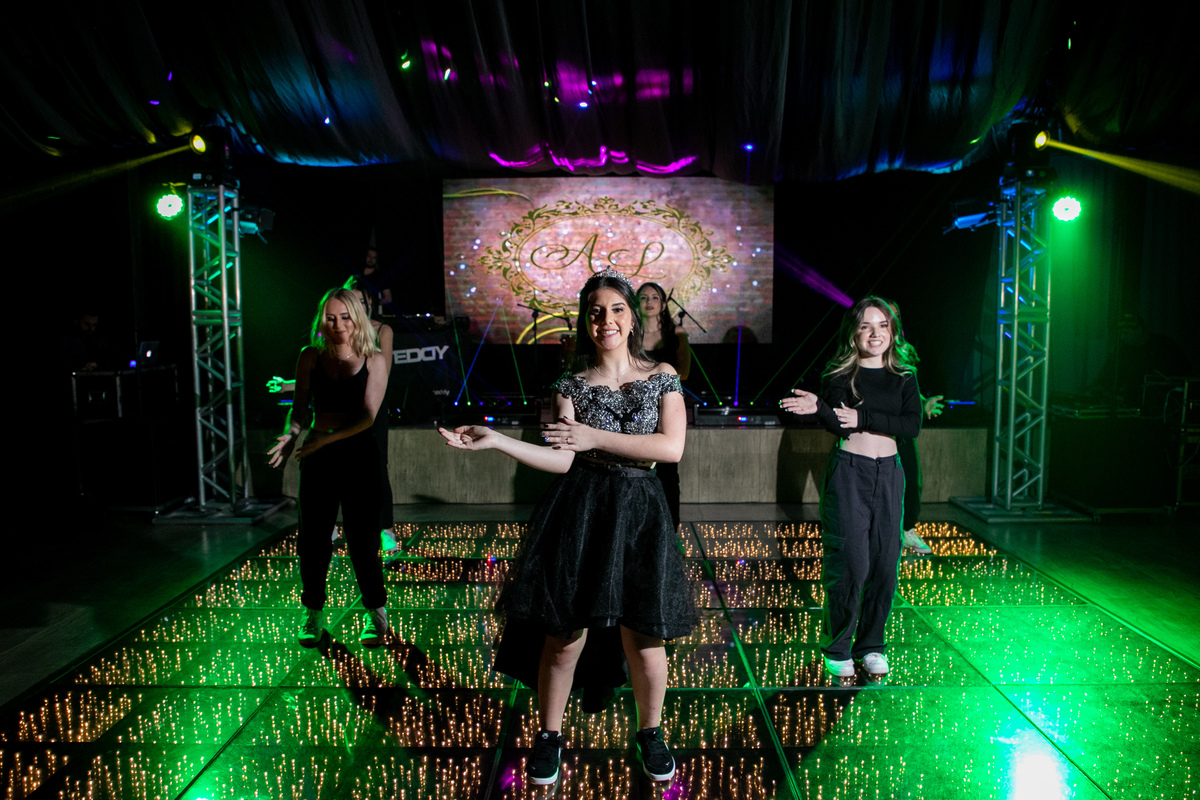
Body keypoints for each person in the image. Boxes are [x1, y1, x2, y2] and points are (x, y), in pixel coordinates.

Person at [439, 269, 697, 786]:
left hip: (641, 514)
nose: (607, 320)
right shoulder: (570, 386)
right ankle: (549, 735)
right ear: (585, 321)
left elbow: (670, 448)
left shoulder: (663, 374)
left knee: (645, 638)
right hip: (582, 512)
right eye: (596, 312)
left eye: (617, 309)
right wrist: (498, 440)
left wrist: (592, 437)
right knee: (563, 636)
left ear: (632, 317)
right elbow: (562, 459)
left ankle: (650, 733)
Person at [780, 297, 920, 678]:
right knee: (852, 565)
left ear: (893, 332)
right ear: (853, 333)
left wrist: (864, 417)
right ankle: (838, 646)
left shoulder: (905, 376)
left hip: (889, 473)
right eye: (865, 326)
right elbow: (840, 424)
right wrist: (821, 409)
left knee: (885, 567)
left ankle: (871, 645)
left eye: (883, 325)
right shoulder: (841, 374)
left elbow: (911, 425)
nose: (875, 333)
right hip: (850, 473)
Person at [268, 288, 390, 649]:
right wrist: (290, 435)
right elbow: (300, 409)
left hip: (358, 455)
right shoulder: (310, 356)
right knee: (313, 540)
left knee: (362, 541)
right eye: (331, 318)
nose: (338, 325)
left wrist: (324, 440)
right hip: (318, 456)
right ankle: (313, 612)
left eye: (345, 317)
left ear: (357, 317)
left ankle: (376, 611)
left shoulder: (374, 359)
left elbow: (368, 417)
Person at [344, 276, 398, 553]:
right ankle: (339, 525)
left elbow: (383, 372)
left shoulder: (382, 330)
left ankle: (385, 528)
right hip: (344, 407)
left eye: (361, 301)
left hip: (373, 408)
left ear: (369, 303)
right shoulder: (338, 330)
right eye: (351, 301)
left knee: (377, 468)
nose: (357, 306)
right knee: (341, 469)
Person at [637, 281, 690, 530]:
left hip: (667, 406)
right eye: (643, 297)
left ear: (663, 303)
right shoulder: (630, 332)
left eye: (654, 297)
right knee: (636, 468)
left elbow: (684, 372)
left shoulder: (676, 332)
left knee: (668, 471)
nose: (649, 302)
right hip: (637, 405)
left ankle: (670, 528)